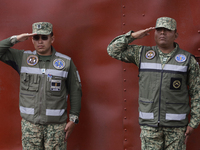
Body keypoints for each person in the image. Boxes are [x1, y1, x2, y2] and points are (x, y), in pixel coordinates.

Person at [107, 17, 200, 149]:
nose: (162, 33)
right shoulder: (142, 54)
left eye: (167, 30)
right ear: (154, 33)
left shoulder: (187, 60)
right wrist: (133, 35)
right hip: (149, 127)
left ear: (176, 35)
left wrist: (194, 123)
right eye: (159, 30)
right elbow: (112, 50)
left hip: (177, 128)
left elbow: (197, 92)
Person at [0, 22, 82, 149]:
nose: (40, 41)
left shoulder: (65, 62)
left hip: (57, 128)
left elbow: (76, 91)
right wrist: (16, 39)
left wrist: (73, 119)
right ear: (32, 39)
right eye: (36, 37)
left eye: (44, 37)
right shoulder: (23, 58)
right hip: (30, 127)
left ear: (52, 39)